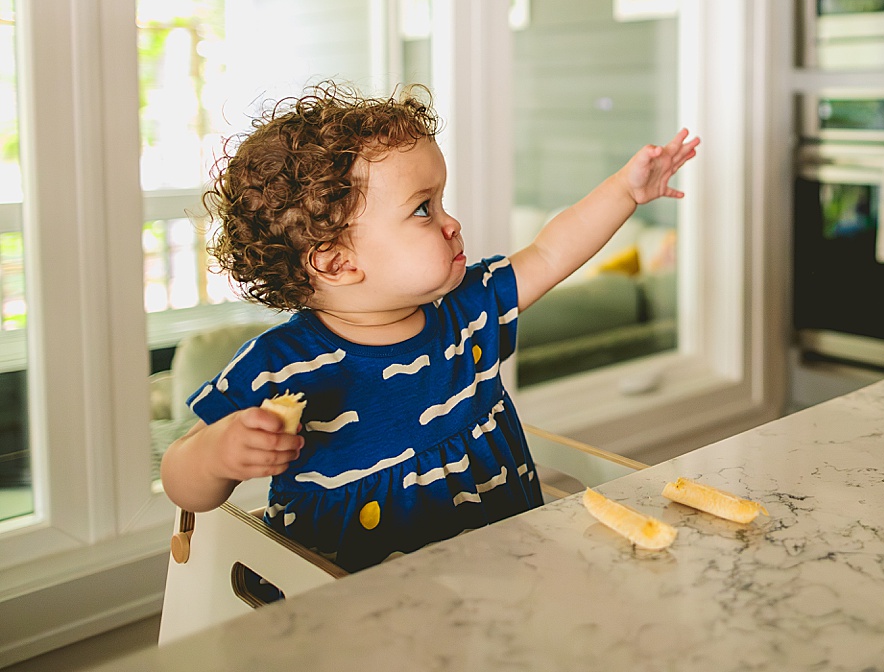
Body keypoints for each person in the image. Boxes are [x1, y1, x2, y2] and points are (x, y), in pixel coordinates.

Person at [160, 83, 698, 570]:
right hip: (356, 617)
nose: (452, 222)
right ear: (337, 262)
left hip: (507, 575)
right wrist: (217, 453)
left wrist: (627, 190)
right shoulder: (279, 366)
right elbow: (183, 481)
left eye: (441, 201)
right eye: (423, 209)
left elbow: (553, 250)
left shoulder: (468, 310)